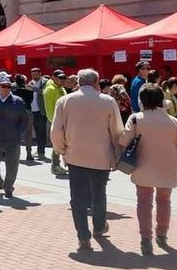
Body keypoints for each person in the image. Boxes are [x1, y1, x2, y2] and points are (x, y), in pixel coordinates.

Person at [50, 69, 124, 251]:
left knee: (78, 198)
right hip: (101, 156)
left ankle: (83, 235)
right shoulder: (108, 101)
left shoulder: (65, 101)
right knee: (99, 193)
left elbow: (56, 131)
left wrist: (61, 150)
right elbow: (117, 131)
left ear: (79, 81)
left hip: (75, 156)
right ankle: (99, 227)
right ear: (96, 82)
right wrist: (117, 155)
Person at [119, 83, 177, 255]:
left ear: (141, 99)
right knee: (164, 201)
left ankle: (145, 238)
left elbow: (123, 141)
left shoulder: (135, 119)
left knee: (143, 202)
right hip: (168, 168)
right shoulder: (173, 122)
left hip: (142, 167)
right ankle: (162, 234)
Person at [0, 76, 30, 197]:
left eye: (9, 86)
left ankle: (8, 187)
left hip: (12, 139)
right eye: (4, 86)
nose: (6, 88)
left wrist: (18, 133)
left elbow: (25, 120)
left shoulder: (18, 101)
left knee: (12, 164)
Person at [44, 70, 68, 175]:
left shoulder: (61, 88)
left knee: (61, 144)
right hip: (55, 122)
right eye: (60, 78)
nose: (62, 80)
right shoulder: (49, 89)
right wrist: (55, 123)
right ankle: (55, 166)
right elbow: (49, 109)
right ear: (53, 78)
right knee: (56, 144)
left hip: (64, 121)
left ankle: (58, 164)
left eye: (64, 78)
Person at [12, 74, 35, 161]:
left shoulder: (14, 92)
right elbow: (31, 101)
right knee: (28, 134)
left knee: (16, 133)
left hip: (17, 113)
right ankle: (29, 153)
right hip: (28, 111)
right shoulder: (29, 91)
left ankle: (15, 153)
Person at [28, 68, 49, 160]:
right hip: (32, 110)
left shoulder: (45, 82)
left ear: (40, 73)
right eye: (33, 74)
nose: (34, 76)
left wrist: (33, 88)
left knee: (41, 132)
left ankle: (41, 151)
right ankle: (39, 149)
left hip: (41, 111)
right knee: (36, 132)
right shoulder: (30, 82)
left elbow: (44, 93)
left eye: (36, 74)